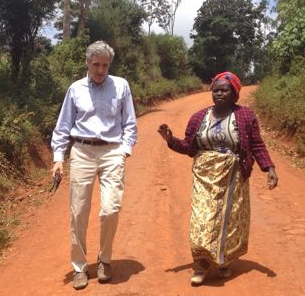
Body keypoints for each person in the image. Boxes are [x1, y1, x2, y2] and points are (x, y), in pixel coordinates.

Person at [157, 71, 278, 286]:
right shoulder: (198, 117)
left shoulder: (245, 116)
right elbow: (189, 147)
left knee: (228, 220)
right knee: (202, 218)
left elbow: (257, 144)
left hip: (234, 176)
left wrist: (269, 167)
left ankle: (223, 260)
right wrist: (170, 139)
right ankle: (201, 264)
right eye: (216, 90)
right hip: (204, 175)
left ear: (235, 93)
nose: (219, 93)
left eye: (224, 90)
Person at [51, 40, 137, 290]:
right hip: (82, 152)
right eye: (96, 64)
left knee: (110, 209)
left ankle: (104, 260)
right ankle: (79, 266)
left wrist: (124, 151)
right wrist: (59, 158)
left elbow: (130, 123)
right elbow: (63, 126)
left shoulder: (121, 86)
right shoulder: (75, 89)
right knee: (78, 211)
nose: (101, 69)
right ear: (87, 63)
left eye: (105, 64)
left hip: (112, 152)